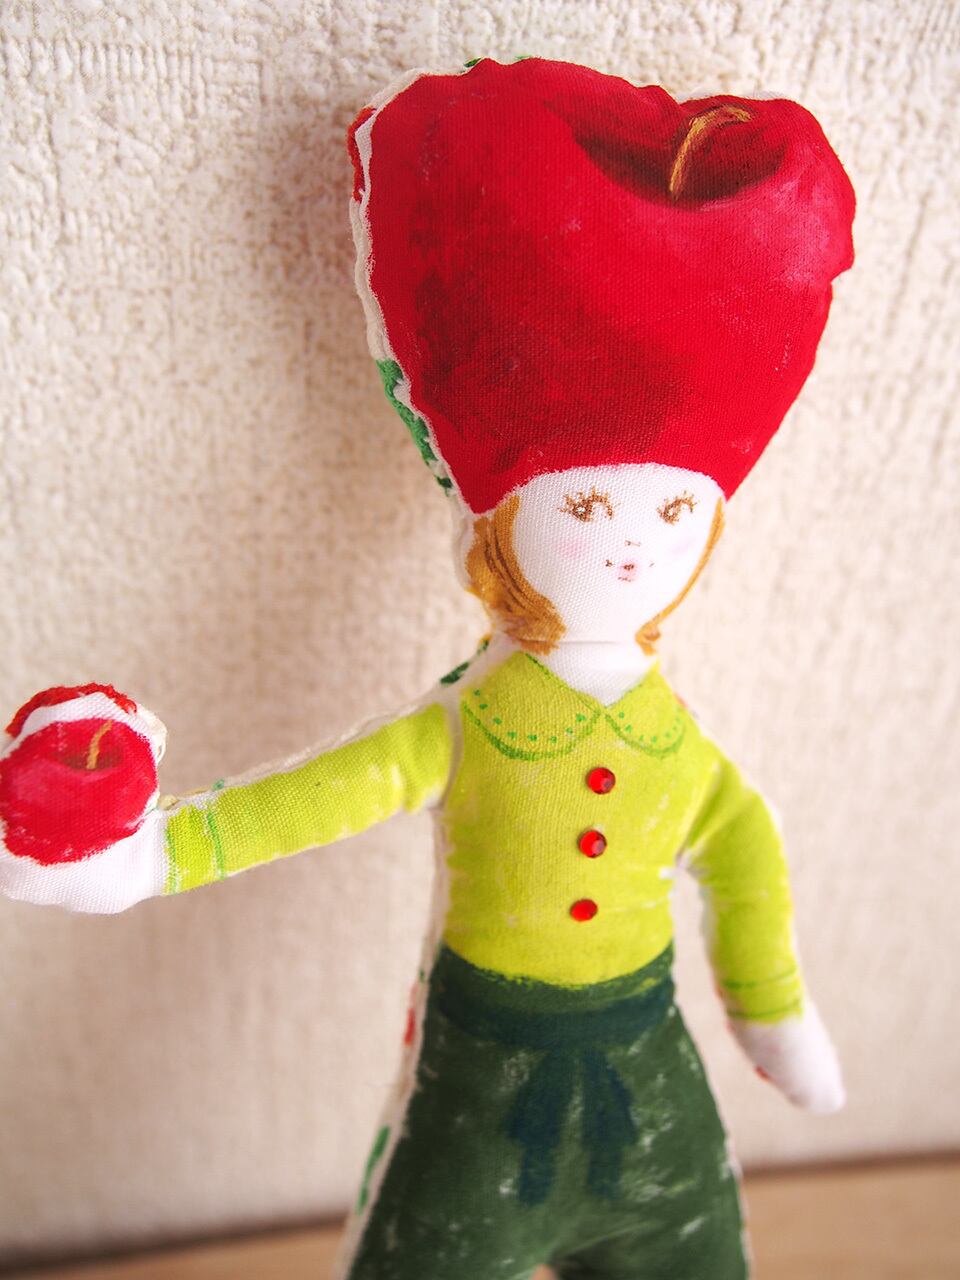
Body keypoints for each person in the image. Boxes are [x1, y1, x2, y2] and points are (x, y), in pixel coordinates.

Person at [0, 56, 856, 1280]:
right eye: (590, 506)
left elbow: (743, 844)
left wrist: (772, 1003)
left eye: (674, 516)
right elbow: (313, 797)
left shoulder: (676, 743)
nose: (630, 543)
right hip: (479, 1084)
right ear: (503, 524)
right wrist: (144, 855)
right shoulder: (470, 726)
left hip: (651, 1088)